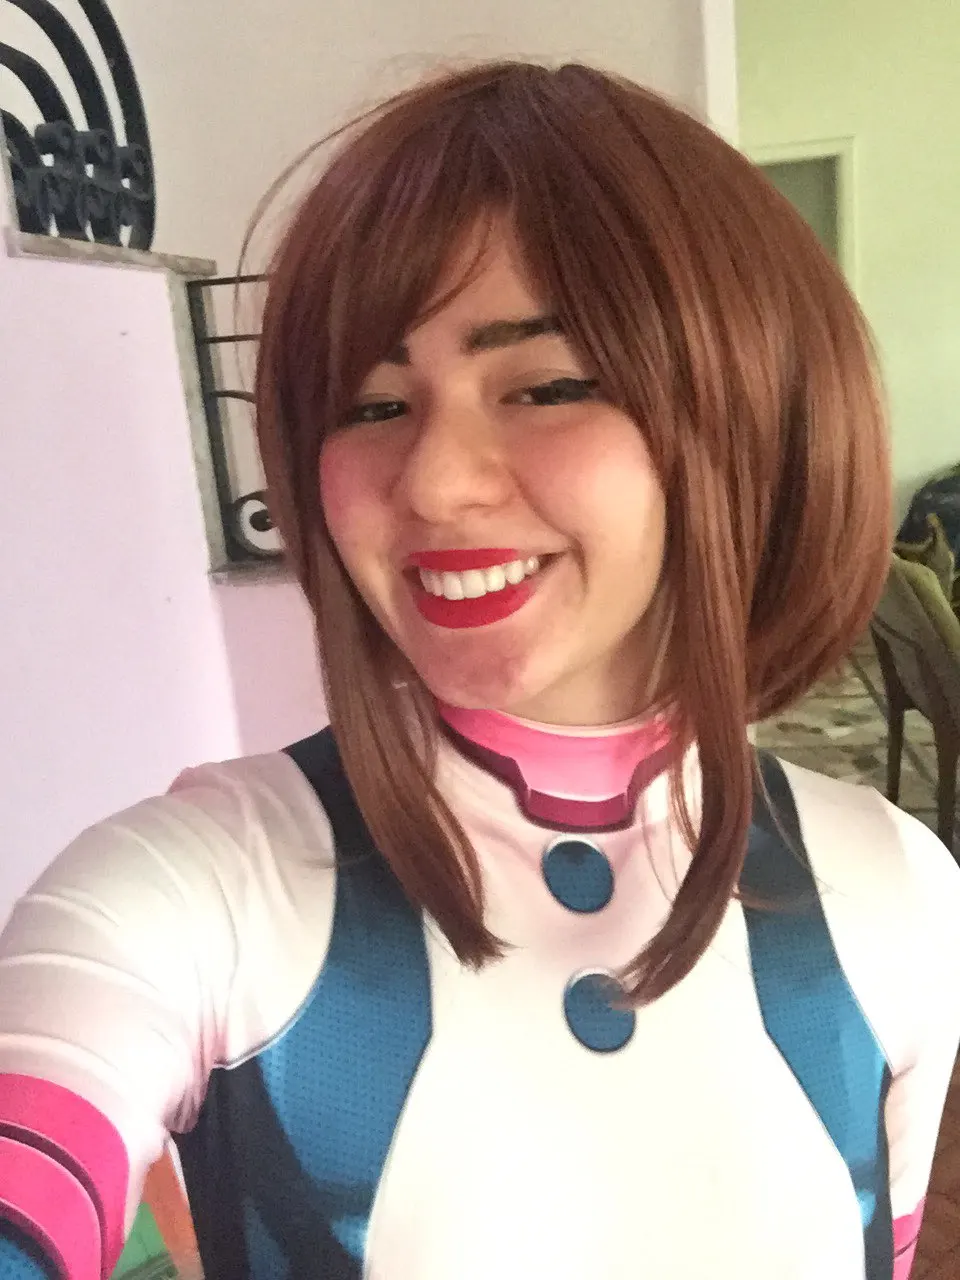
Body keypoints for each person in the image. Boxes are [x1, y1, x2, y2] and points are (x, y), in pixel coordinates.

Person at [0, 60, 957, 1280]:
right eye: (371, 404)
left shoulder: (899, 893)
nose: (436, 482)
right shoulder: (187, 891)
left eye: (546, 387)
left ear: (750, 419)